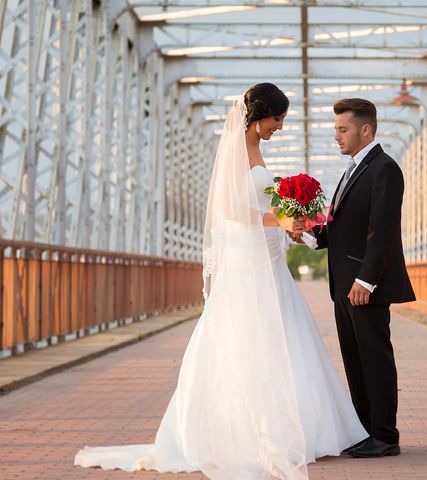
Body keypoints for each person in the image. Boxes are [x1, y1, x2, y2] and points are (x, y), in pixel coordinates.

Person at [74, 83, 368, 480]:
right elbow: (231, 209)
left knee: (283, 334)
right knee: (247, 338)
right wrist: (277, 219)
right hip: (246, 263)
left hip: (267, 258)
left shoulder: (256, 149)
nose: (279, 127)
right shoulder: (234, 149)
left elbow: (261, 206)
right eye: (277, 119)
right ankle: (249, 431)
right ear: (260, 115)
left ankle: (299, 428)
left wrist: (289, 222)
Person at [307, 98, 415, 458]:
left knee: (375, 359)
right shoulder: (355, 168)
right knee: (355, 361)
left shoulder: (384, 169)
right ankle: (367, 430)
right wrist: (308, 233)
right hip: (345, 284)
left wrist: (366, 281)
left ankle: (385, 436)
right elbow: (343, 227)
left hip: (363, 286)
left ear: (364, 129)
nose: (336, 136)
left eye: (342, 129)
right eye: (336, 129)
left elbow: (381, 230)